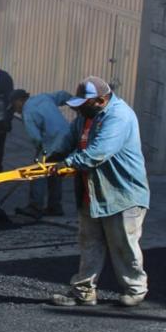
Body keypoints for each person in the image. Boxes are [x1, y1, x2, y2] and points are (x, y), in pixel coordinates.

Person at [49, 76, 150, 308]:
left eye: (84, 105)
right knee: (89, 243)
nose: (80, 110)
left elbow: (99, 152)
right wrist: (54, 155)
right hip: (92, 192)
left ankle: (135, 288)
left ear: (101, 100)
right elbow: (70, 138)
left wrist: (68, 164)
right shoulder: (86, 116)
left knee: (123, 244)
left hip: (121, 193)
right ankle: (84, 291)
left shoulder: (119, 117)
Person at [11, 88, 72, 218]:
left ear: (20, 101)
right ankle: (55, 206)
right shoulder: (43, 97)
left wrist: (39, 150)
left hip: (53, 143)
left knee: (37, 172)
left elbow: (35, 138)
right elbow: (62, 95)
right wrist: (75, 103)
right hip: (68, 138)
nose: (15, 110)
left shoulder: (27, 112)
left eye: (14, 106)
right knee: (54, 171)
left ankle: (35, 206)